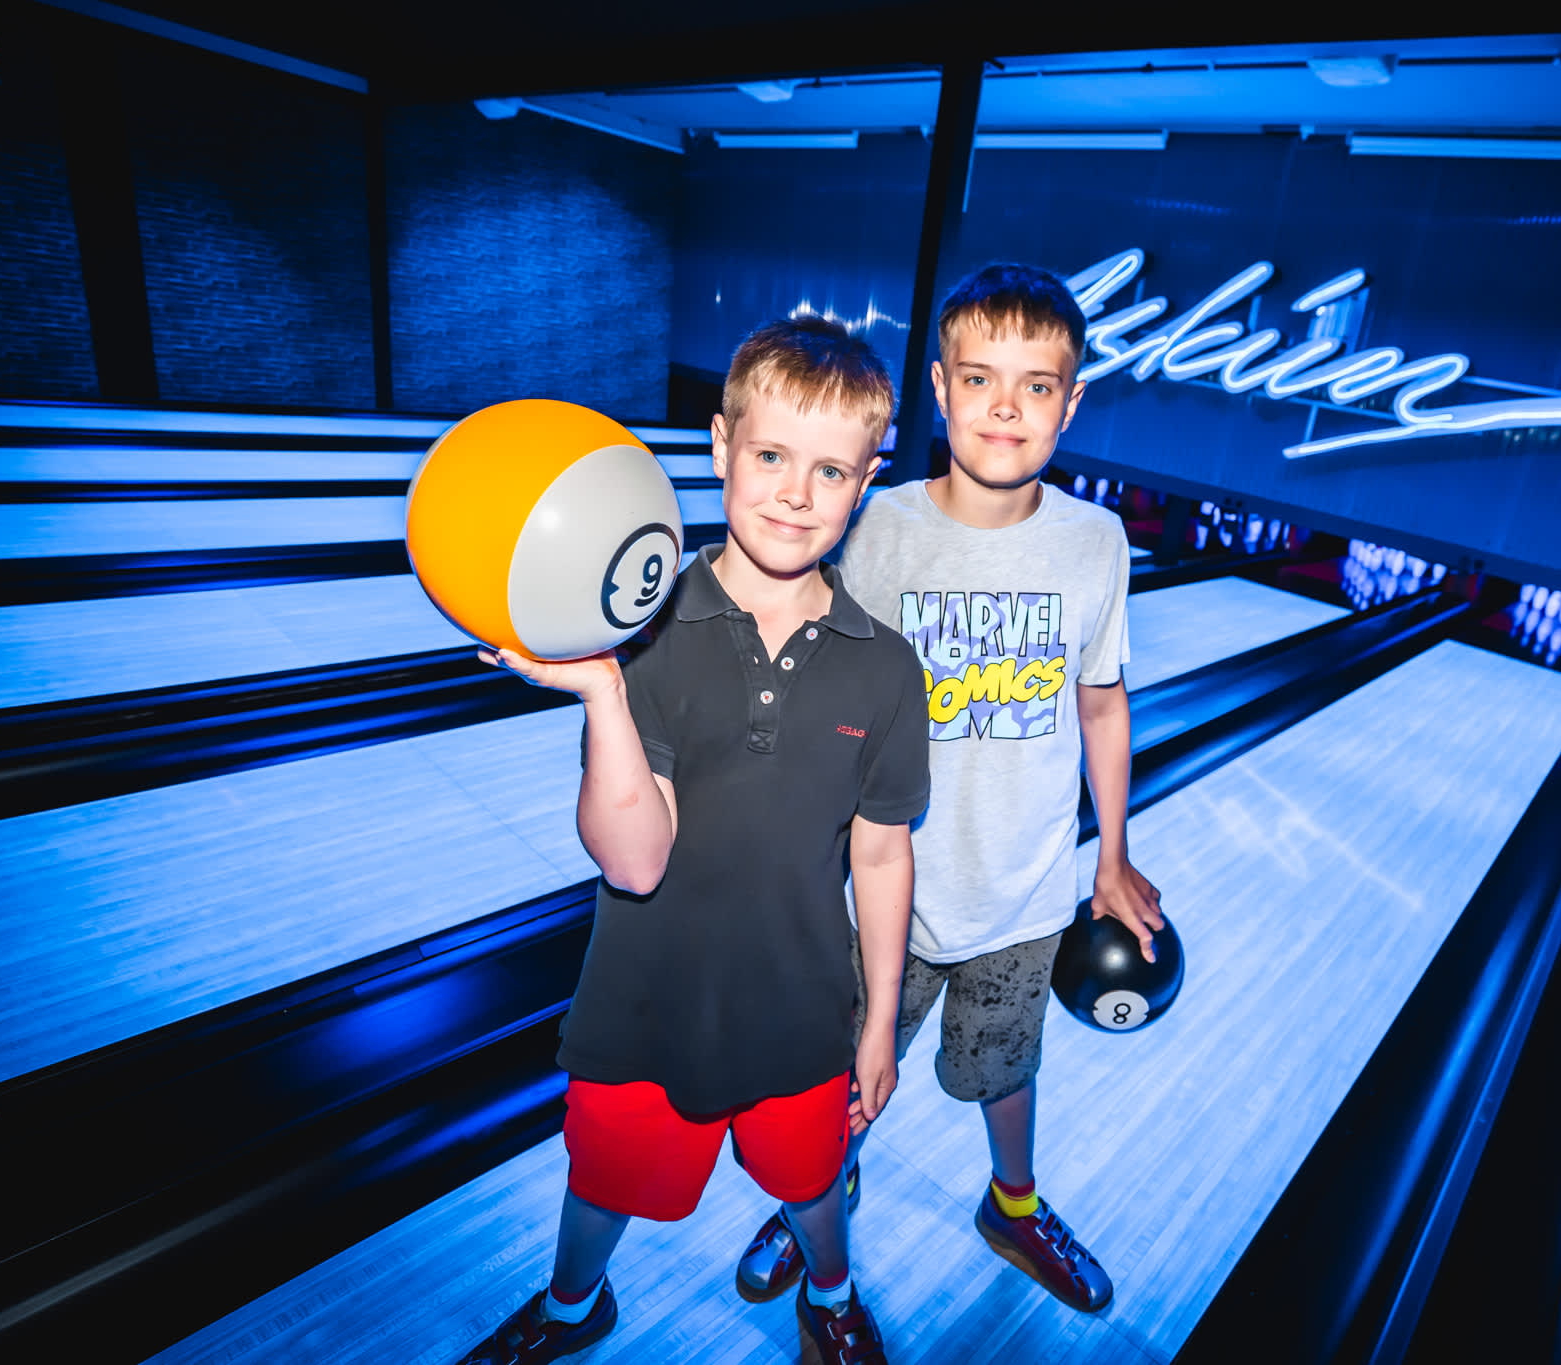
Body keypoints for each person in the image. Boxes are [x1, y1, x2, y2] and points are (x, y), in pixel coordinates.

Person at [457, 315, 929, 1365]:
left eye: (830, 470)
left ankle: (833, 1294)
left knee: (810, 1181)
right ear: (719, 446)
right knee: (604, 1180)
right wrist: (601, 692)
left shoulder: (887, 671)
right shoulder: (644, 631)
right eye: (769, 457)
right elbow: (633, 860)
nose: (795, 494)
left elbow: (883, 853)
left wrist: (877, 1023)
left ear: (866, 480)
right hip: (643, 1001)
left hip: (802, 1008)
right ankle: (574, 1308)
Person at [735, 263, 1164, 1315]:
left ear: (1072, 401)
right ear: (939, 388)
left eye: (1035, 384)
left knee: (1005, 1069)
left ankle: (1010, 1207)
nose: (1004, 406)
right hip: (874, 892)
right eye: (979, 379)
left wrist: (1107, 855)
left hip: (1018, 895)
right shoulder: (876, 528)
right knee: (839, 1078)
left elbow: (1100, 705)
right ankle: (816, 1190)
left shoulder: (1092, 543)